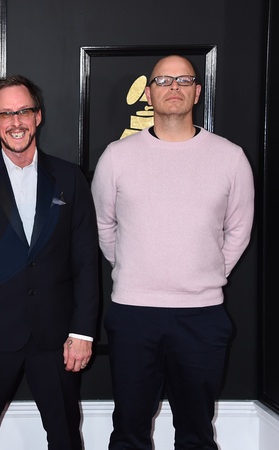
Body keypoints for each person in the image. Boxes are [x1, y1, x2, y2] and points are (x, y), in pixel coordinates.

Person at [91, 55, 255, 450]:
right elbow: (103, 227)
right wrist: (134, 267)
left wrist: (206, 272)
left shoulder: (230, 157)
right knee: (128, 432)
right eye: (163, 80)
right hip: (133, 313)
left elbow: (239, 231)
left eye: (183, 80)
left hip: (202, 316)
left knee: (196, 434)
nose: (174, 87)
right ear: (149, 94)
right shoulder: (116, 156)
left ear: (197, 92)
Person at [0, 75, 100, 449]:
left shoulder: (69, 178)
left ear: (38, 116)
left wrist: (82, 333)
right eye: (6, 114)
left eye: (24, 111)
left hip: (57, 338)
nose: (16, 122)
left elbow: (86, 262)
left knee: (66, 437)